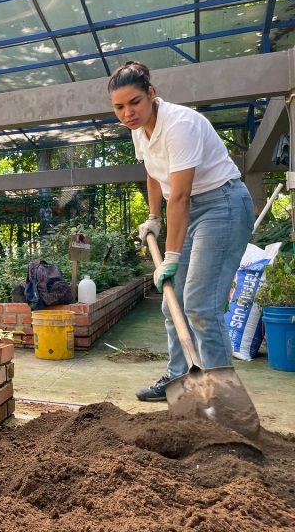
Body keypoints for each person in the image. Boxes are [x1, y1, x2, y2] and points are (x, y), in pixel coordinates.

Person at [108, 61, 254, 402]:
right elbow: (153, 172)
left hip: (221, 205)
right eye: (119, 107)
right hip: (186, 207)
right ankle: (179, 380)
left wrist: (170, 256)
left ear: (151, 95)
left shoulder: (180, 125)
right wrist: (154, 216)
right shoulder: (138, 130)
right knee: (172, 303)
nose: (127, 112)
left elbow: (183, 195)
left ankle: (221, 396)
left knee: (201, 306)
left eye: (134, 102)